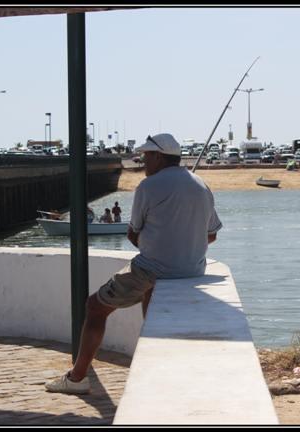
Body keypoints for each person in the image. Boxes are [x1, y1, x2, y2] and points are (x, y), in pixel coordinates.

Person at [45, 132, 222, 394]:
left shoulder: (147, 187)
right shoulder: (201, 185)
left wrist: (156, 248)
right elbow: (212, 234)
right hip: (192, 270)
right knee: (151, 307)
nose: (142, 161)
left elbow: (132, 233)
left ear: (159, 156)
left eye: (146, 156)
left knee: (94, 307)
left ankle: (77, 378)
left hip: (153, 269)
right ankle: (156, 371)